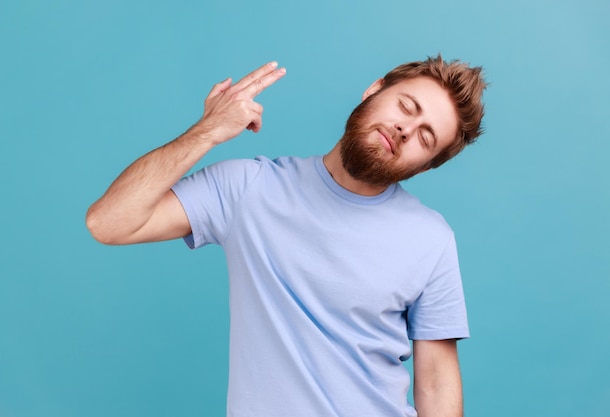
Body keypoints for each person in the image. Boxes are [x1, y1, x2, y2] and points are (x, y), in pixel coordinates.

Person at [86, 55, 486, 417]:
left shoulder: (431, 239)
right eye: (406, 107)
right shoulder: (248, 188)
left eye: (425, 137)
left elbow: (436, 385)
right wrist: (207, 131)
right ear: (374, 90)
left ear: (427, 166)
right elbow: (109, 222)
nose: (404, 129)